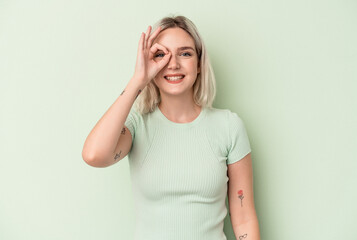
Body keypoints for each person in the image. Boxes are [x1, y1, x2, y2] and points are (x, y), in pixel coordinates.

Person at [82, 14, 260, 240]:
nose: (173, 64)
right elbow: (93, 155)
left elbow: (244, 218)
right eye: (161, 55)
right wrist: (138, 79)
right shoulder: (137, 125)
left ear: (198, 64)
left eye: (185, 53)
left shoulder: (229, 126)